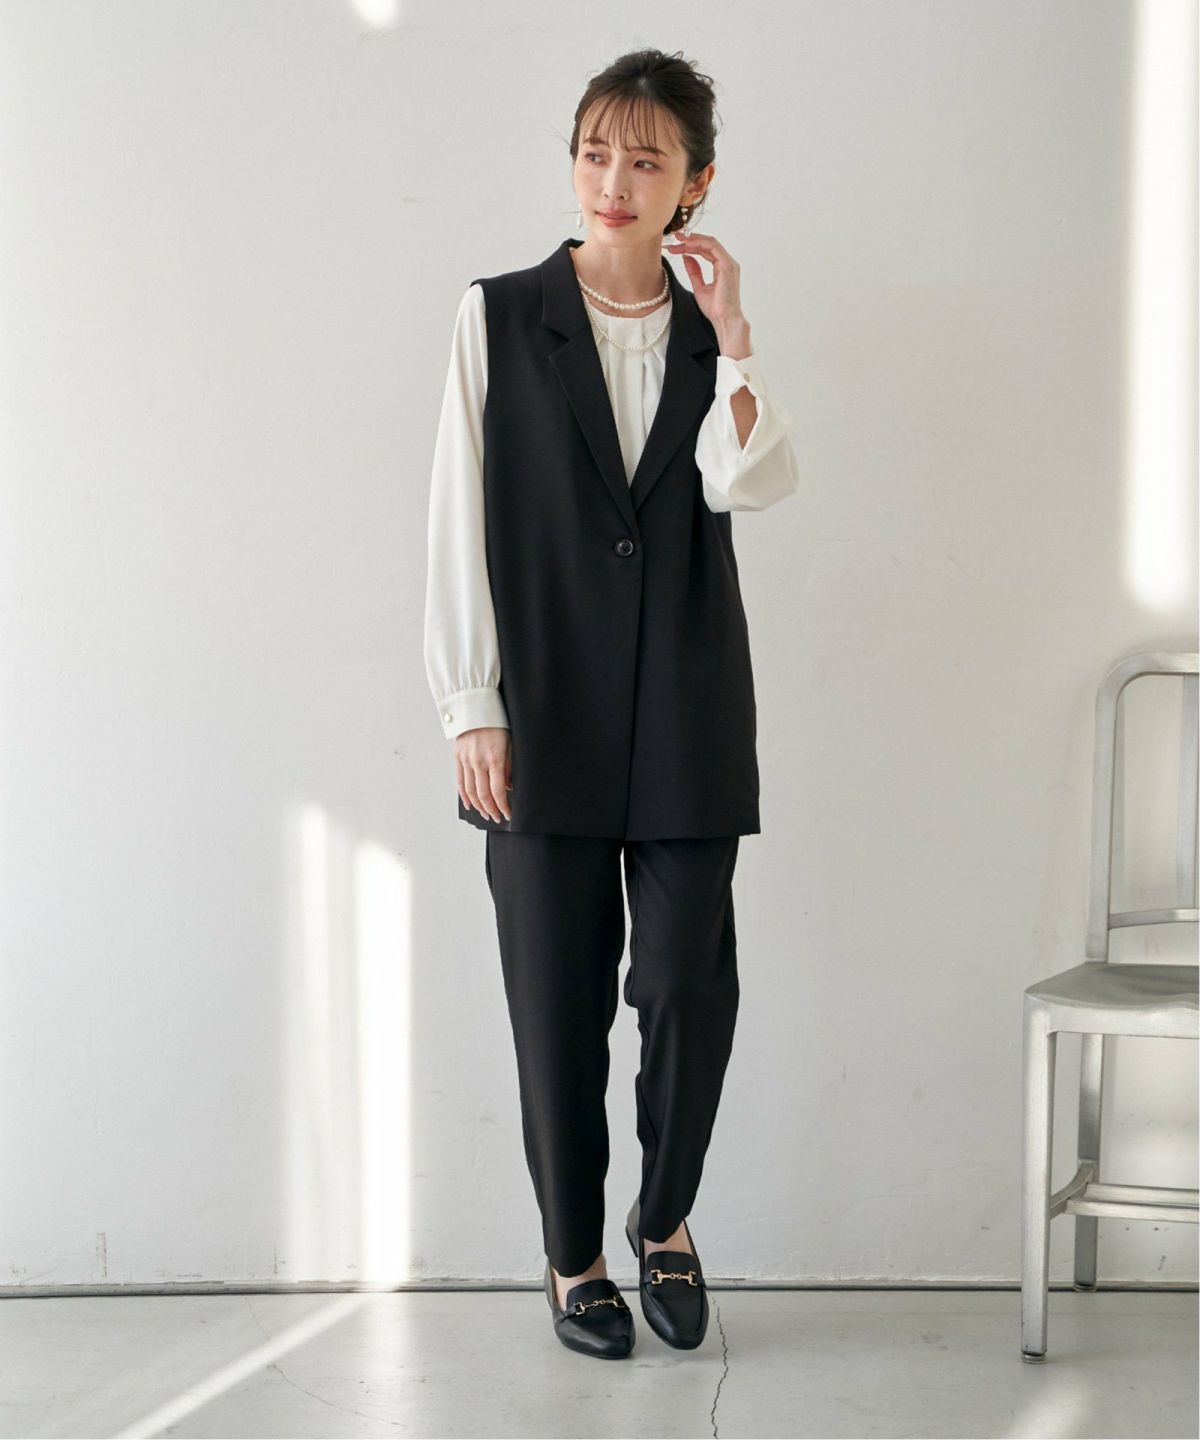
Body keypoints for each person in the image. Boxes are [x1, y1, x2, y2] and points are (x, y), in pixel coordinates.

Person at [424, 47, 801, 1359]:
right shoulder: (499, 314)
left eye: (646, 159)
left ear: (696, 182)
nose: (614, 180)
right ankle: (573, 1256)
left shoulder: (705, 329)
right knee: (556, 999)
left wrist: (736, 335)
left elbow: (749, 481)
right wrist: (472, 702)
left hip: (688, 702)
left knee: (689, 983)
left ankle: (667, 1220)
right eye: (596, 152)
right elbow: (457, 511)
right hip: (542, 704)